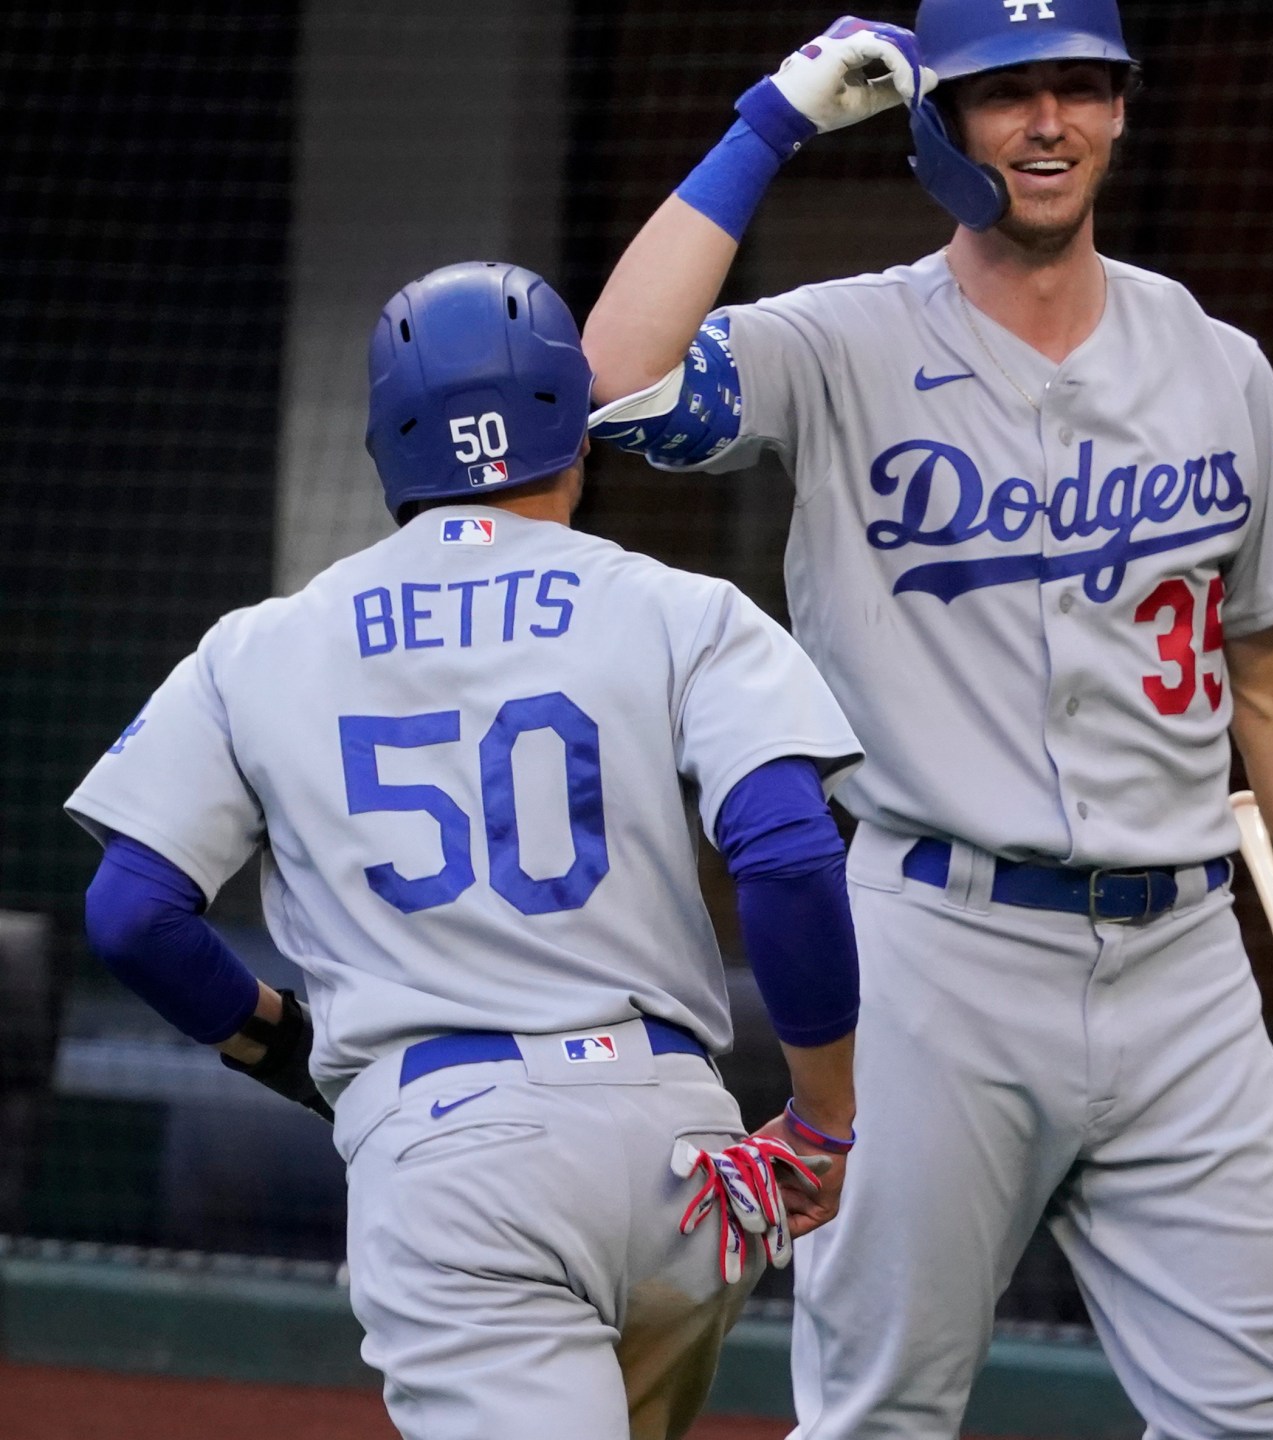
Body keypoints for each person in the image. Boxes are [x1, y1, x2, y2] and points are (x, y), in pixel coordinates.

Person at [578, 4, 1273, 1436]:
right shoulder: (839, 342)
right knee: (883, 1414)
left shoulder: (1217, 364)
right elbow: (615, 385)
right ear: (937, 126)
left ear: (1124, 108)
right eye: (1005, 92)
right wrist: (766, 122)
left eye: (1080, 86)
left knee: (1258, 1421)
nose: (1047, 122)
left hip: (1187, 960)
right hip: (932, 948)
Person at [65, 261, 868, 1440]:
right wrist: (819, 1120)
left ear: (387, 444)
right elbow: (790, 854)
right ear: (573, 426)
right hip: (681, 1157)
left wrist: (267, 1037)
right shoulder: (682, 608)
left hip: (456, 1158)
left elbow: (132, 915)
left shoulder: (260, 646)